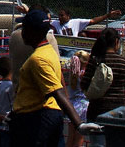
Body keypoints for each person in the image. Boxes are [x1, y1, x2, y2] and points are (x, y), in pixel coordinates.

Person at [9, 9, 100, 147]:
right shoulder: (48, 51)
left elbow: (57, 91)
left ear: (33, 32)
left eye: (25, 28)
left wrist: (79, 124)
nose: (22, 33)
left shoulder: (38, 59)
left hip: (36, 119)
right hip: (36, 114)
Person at [10, 4, 60, 93]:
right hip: (42, 99)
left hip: (20, 95)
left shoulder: (14, 36)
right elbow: (56, 89)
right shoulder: (49, 41)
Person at [81, 28, 125, 123]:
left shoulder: (95, 60)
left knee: (98, 137)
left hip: (97, 109)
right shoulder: (122, 62)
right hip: (118, 111)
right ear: (117, 41)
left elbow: (84, 84)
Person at [66, 50, 90, 147]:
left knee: (70, 136)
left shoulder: (73, 75)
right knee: (80, 137)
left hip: (72, 106)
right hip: (83, 106)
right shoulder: (84, 75)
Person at [51, 7, 121, 36]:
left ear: (68, 16)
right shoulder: (55, 23)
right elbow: (44, 20)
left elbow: (93, 21)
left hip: (71, 48)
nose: (59, 17)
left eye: (62, 15)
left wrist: (108, 15)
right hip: (60, 46)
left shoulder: (76, 22)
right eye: (59, 15)